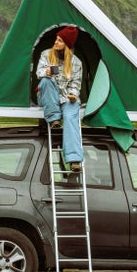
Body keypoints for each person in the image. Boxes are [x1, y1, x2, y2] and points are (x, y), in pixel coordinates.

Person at [35, 25, 83, 170]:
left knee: (70, 117)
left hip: (65, 99)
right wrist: (47, 72)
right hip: (48, 96)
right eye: (56, 39)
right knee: (46, 81)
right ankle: (54, 118)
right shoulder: (46, 54)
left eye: (60, 40)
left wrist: (73, 95)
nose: (56, 42)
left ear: (67, 45)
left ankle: (74, 159)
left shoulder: (76, 62)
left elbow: (76, 83)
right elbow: (39, 73)